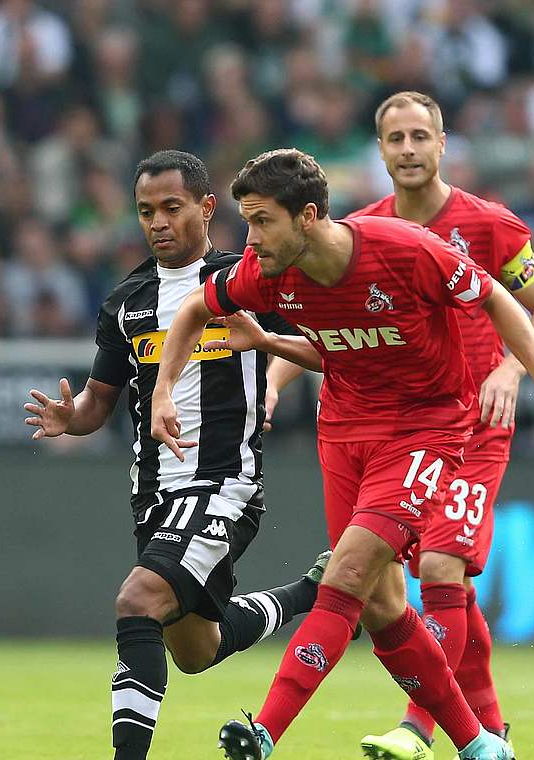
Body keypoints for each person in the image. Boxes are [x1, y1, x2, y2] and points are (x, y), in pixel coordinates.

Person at [149, 149, 534, 760]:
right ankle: (480, 745)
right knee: (381, 605)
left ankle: (264, 732)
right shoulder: (263, 271)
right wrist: (166, 388)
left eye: (262, 221)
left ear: (307, 217)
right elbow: (198, 308)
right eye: (246, 222)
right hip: (345, 433)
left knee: (347, 572)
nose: (251, 239)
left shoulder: (405, 249)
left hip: (426, 430)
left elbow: (497, 299)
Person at [266, 90, 534, 758]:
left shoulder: (489, 226)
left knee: (440, 564)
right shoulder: (359, 231)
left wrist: (514, 372)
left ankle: (417, 729)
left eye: (419, 137)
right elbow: (321, 329)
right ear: (379, 149)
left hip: (476, 424)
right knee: (440, 589)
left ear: (442, 144)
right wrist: (274, 375)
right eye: (395, 138)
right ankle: (489, 735)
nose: (407, 149)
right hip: (394, 430)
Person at [23, 150, 328, 760]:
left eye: (171, 207)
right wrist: (70, 419)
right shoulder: (126, 301)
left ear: (207, 207)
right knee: (195, 649)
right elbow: (98, 404)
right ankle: (308, 594)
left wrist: (267, 350)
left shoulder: (249, 279)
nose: (157, 222)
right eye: (145, 212)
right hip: (155, 494)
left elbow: (328, 349)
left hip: (224, 481)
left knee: (138, 600)